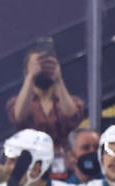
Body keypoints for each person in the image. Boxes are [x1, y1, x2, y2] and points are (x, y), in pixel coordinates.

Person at [6, 40, 86, 170]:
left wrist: (58, 79)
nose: (43, 69)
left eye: (48, 64)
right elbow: (18, 116)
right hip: (31, 166)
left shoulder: (70, 100)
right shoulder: (18, 102)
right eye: (39, 65)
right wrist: (31, 76)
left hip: (65, 167)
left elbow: (73, 116)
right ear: (26, 72)